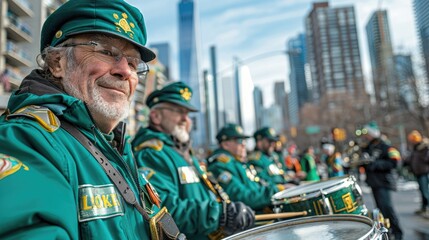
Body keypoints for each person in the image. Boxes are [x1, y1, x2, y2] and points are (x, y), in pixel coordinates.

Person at [0, 1, 186, 239]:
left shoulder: (116, 147)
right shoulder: (27, 141)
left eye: (132, 63)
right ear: (58, 63)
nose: (125, 71)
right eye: (107, 52)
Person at [131, 82, 255, 239]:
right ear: (156, 116)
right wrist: (220, 214)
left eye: (187, 114)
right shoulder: (151, 154)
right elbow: (162, 211)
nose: (185, 119)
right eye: (178, 111)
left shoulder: (181, 151)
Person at [207, 123, 277, 213]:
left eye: (244, 140)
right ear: (225, 144)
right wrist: (276, 190)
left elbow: (257, 185)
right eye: (239, 141)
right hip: (251, 219)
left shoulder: (238, 163)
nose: (244, 144)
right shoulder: (220, 166)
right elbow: (241, 198)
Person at [360, 121, 403, 240]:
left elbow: (395, 161)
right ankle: (387, 233)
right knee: (380, 211)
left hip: (384, 182)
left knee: (387, 209)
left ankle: (398, 233)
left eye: (367, 133)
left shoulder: (385, 145)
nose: (366, 136)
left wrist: (376, 164)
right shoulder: (367, 147)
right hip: (374, 183)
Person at [404, 130, 429, 218]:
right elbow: (412, 158)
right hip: (418, 172)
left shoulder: (424, 147)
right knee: (422, 191)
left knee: (425, 191)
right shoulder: (415, 148)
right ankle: (424, 207)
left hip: (424, 172)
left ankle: (427, 208)